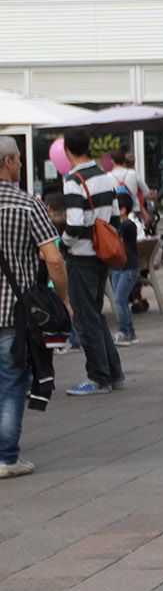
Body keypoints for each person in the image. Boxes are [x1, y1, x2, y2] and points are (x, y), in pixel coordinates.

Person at [0, 135, 68, 477]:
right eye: (19, 161)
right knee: (12, 380)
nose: (21, 166)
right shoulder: (28, 204)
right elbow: (53, 258)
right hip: (15, 310)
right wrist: (63, 299)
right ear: (9, 162)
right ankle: (6, 458)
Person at [60, 129, 125, 398]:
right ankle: (113, 372)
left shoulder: (73, 180)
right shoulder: (103, 176)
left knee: (86, 318)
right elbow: (115, 218)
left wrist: (61, 246)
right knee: (95, 314)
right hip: (103, 255)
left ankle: (98, 377)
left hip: (82, 257)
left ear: (67, 151)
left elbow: (74, 223)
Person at [110, 193, 142, 347]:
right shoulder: (121, 225)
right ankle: (130, 331)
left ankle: (124, 331)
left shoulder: (128, 225)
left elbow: (122, 229)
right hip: (119, 268)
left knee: (119, 299)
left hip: (129, 268)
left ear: (122, 210)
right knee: (120, 300)